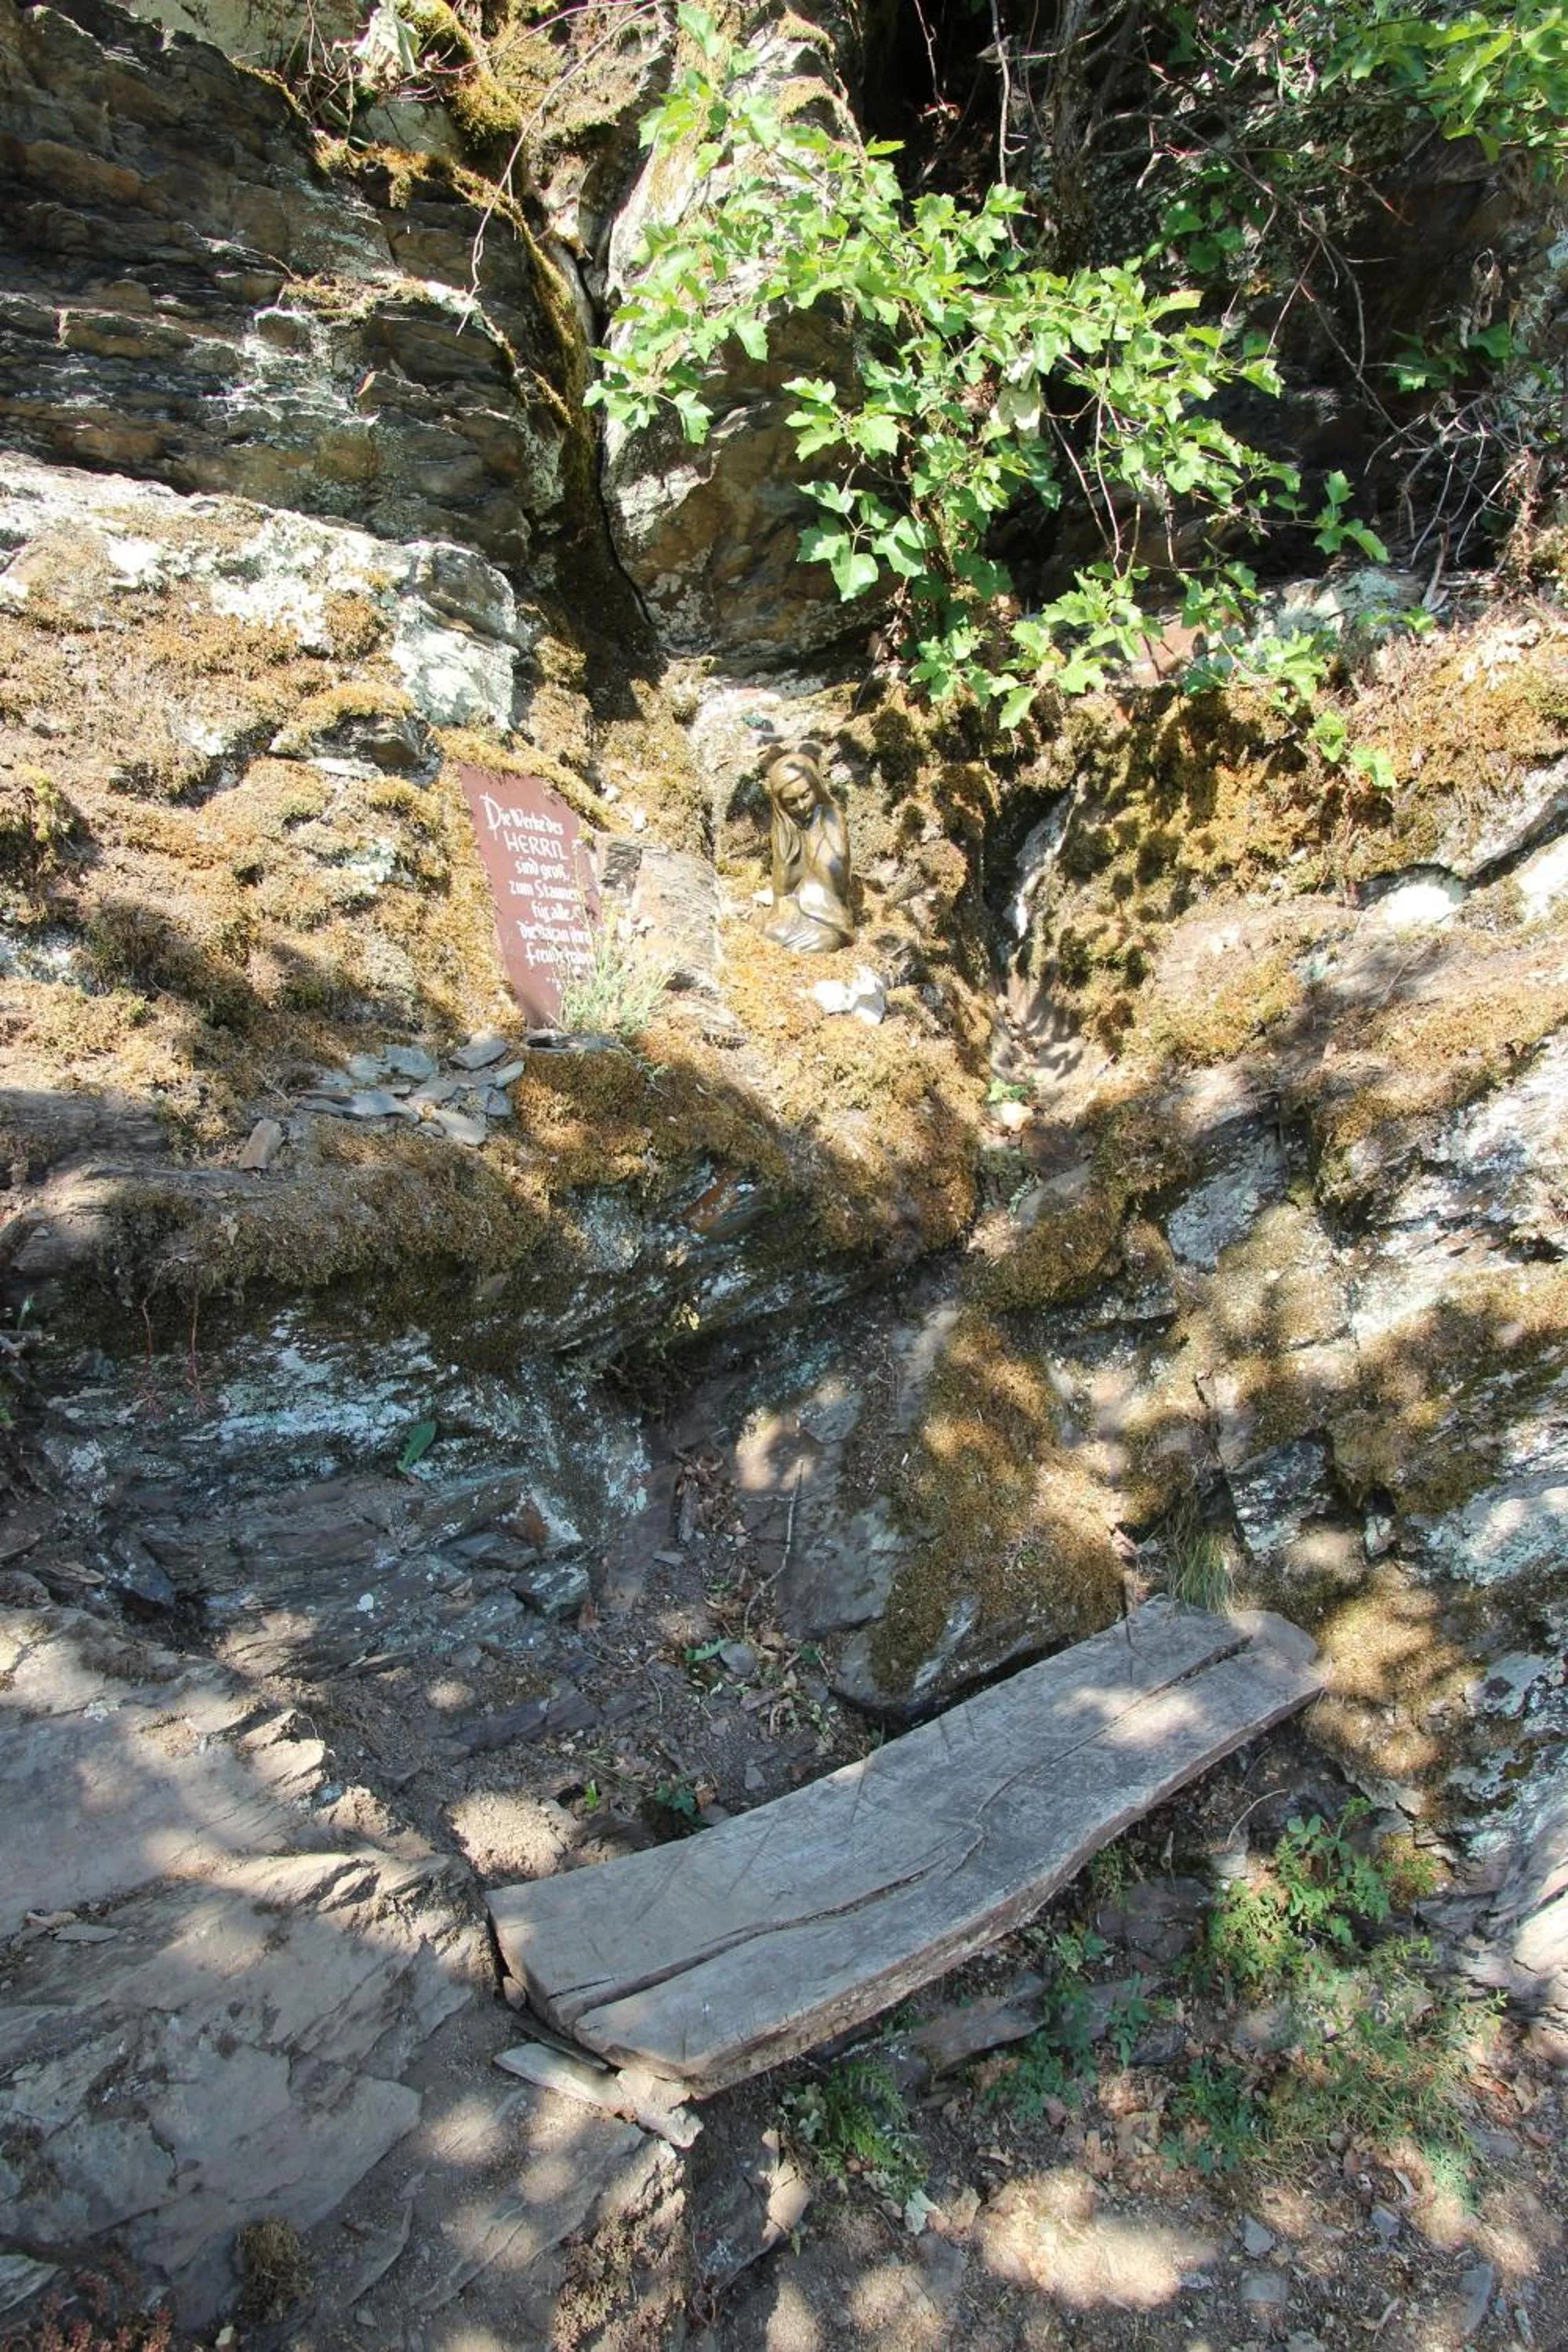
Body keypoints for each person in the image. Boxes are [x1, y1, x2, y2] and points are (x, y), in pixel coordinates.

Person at [758, 742, 854, 953]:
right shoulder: (785, 826)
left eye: (805, 795)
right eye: (791, 802)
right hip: (796, 906)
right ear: (781, 805)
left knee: (823, 941)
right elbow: (783, 889)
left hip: (828, 911)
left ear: (816, 788)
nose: (801, 806)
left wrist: (812, 835)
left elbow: (837, 872)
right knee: (773, 933)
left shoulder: (830, 816)